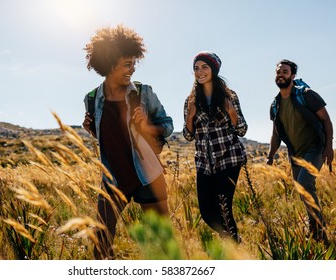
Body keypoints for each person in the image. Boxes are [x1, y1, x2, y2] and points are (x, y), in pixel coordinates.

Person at [82, 25, 173, 259]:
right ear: (109, 63)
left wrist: (147, 127)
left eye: (134, 63)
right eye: (126, 64)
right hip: (112, 179)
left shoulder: (144, 93)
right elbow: (108, 137)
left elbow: (168, 125)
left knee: (164, 244)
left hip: (147, 177)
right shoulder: (92, 99)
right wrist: (92, 130)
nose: (132, 69)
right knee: (101, 245)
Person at [183, 51, 248, 243]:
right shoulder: (191, 100)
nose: (200, 71)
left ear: (214, 69)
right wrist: (190, 116)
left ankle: (233, 251)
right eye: (196, 68)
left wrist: (231, 112)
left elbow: (242, 129)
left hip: (229, 158)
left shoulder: (229, 96)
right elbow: (188, 135)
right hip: (204, 162)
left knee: (224, 209)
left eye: (204, 67)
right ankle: (233, 240)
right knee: (206, 212)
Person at [266, 59, 333, 243]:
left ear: (293, 76)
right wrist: (270, 156)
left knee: (305, 184)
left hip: (315, 148)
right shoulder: (276, 104)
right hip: (295, 154)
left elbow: (326, 121)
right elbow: (276, 133)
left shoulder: (307, 95)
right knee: (302, 190)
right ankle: (314, 226)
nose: (281, 74)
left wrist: (328, 147)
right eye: (278, 71)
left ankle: (320, 230)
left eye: (285, 72)